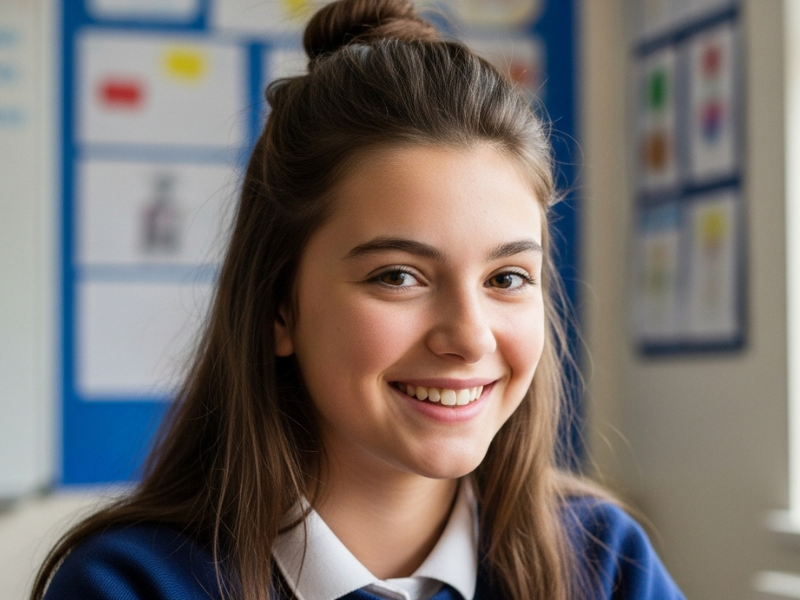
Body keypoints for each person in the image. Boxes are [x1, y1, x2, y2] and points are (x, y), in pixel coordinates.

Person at [33, 1, 686, 599]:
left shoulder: (603, 561)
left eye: (507, 278)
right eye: (398, 276)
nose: (470, 337)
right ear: (278, 307)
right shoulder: (131, 583)